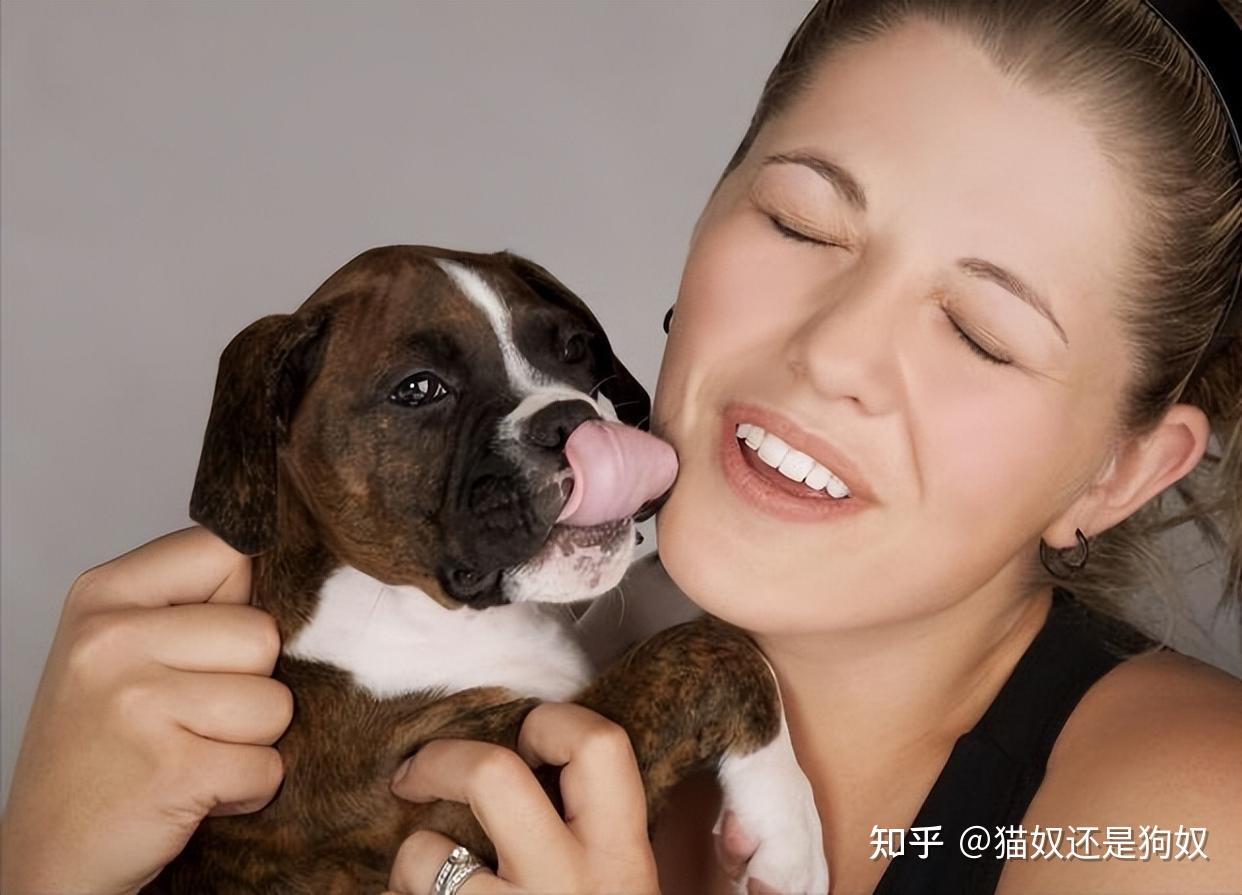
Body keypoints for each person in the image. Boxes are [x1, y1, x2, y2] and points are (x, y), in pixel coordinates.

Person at [4, 0, 1242, 892]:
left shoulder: (1190, 827)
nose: (831, 352)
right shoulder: (459, 657)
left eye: (979, 332)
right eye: (803, 223)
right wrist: (47, 871)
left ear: (1121, 471)